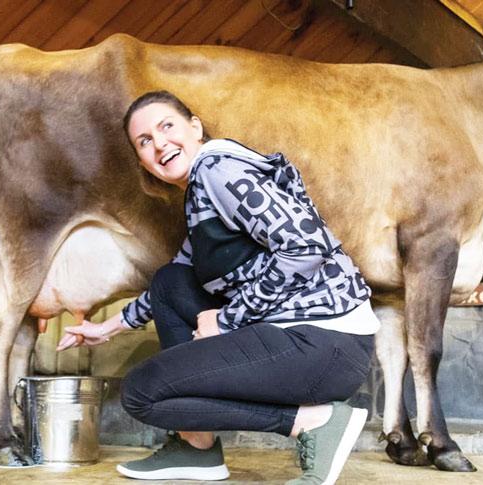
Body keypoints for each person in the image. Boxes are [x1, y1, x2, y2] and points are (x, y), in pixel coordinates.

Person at [56, 90, 380, 484]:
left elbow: (306, 245)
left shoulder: (219, 170)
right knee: (170, 282)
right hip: (308, 339)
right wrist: (105, 329)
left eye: (167, 126)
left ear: (195, 127)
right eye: (144, 141)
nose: (159, 144)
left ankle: (313, 422)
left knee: (141, 392)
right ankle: (197, 448)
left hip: (326, 344)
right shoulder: (201, 194)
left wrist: (227, 319)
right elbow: (179, 272)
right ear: (142, 160)